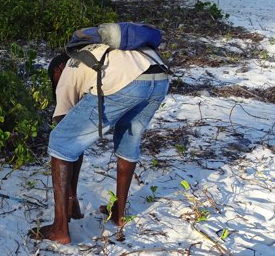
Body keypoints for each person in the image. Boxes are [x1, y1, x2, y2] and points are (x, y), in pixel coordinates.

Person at [30, 42, 170, 244]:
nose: (55, 83)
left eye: (53, 78)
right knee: (128, 139)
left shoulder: (69, 69)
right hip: (159, 77)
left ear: (58, 69)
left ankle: (60, 228)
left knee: (60, 142)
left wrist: (71, 198)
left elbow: (68, 141)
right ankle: (119, 214)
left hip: (126, 81)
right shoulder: (96, 52)